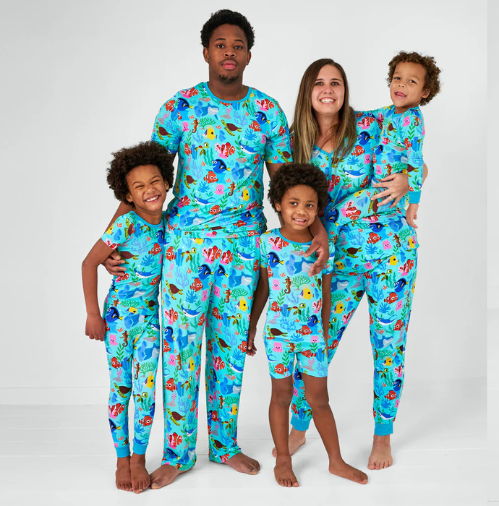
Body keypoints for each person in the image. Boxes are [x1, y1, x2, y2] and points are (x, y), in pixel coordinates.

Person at [103, 10, 329, 488]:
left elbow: (288, 183)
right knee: (182, 352)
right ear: (206, 51)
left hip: (244, 248)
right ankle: (179, 452)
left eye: (239, 45)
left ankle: (224, 443)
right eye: (221, 44)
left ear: (249, 54)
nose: (230, 51)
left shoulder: (267, 112)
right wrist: (109, 241)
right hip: (185, 247)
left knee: (230, 348)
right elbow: (145, 176)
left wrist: (321, 230)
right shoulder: (179, 108)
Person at [276, 58, 418, 470]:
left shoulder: (374, 124)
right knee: (316, 342)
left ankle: (382, 436)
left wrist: (412, 178)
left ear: (345, 90)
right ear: (308, 91)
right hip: (335, 260)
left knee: (388, 346)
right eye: (319, 83)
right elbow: (292, 203)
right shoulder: (292, 144)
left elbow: (415, 153)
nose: (328, 89)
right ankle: (300, 426)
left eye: (335, 82)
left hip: (392, 256)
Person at [247, 163, 368, 486]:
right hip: (278, 335)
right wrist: (252, 326)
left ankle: (336, 461)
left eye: (310, 205)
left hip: (312, 336)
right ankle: (283, 460)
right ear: (277, 205)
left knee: (319, 400)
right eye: (293, 203)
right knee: (281, 396)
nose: (301, 211)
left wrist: (325, 332)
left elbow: (327, 292)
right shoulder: (267, 243)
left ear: (318, 210)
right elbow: (262, 288)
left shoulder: (322, 249)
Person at [81, 141, 174, 493]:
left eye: (155, 181)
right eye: (138, 187)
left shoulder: (171, 223)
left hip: (151, 322)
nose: (149, 190)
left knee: (147, 392)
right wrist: (93, 314)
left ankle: (139, 457)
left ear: (167, 182)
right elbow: (89, 262)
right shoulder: (124, 226)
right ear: (128, 197)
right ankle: (121, 458)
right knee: (121, 390)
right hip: (119, 321)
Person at [334, 51, 441, 230]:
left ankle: (324, 258)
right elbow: (364, 116)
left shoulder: (411, 120)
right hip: (377, 187)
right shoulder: (391, 112)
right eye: (397, 77)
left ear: (425, 92)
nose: (401, 84)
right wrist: (335, 110)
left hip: (386, 193)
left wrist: (414, 203)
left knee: (334, 217)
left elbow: (416, 160)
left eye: (411, 81)